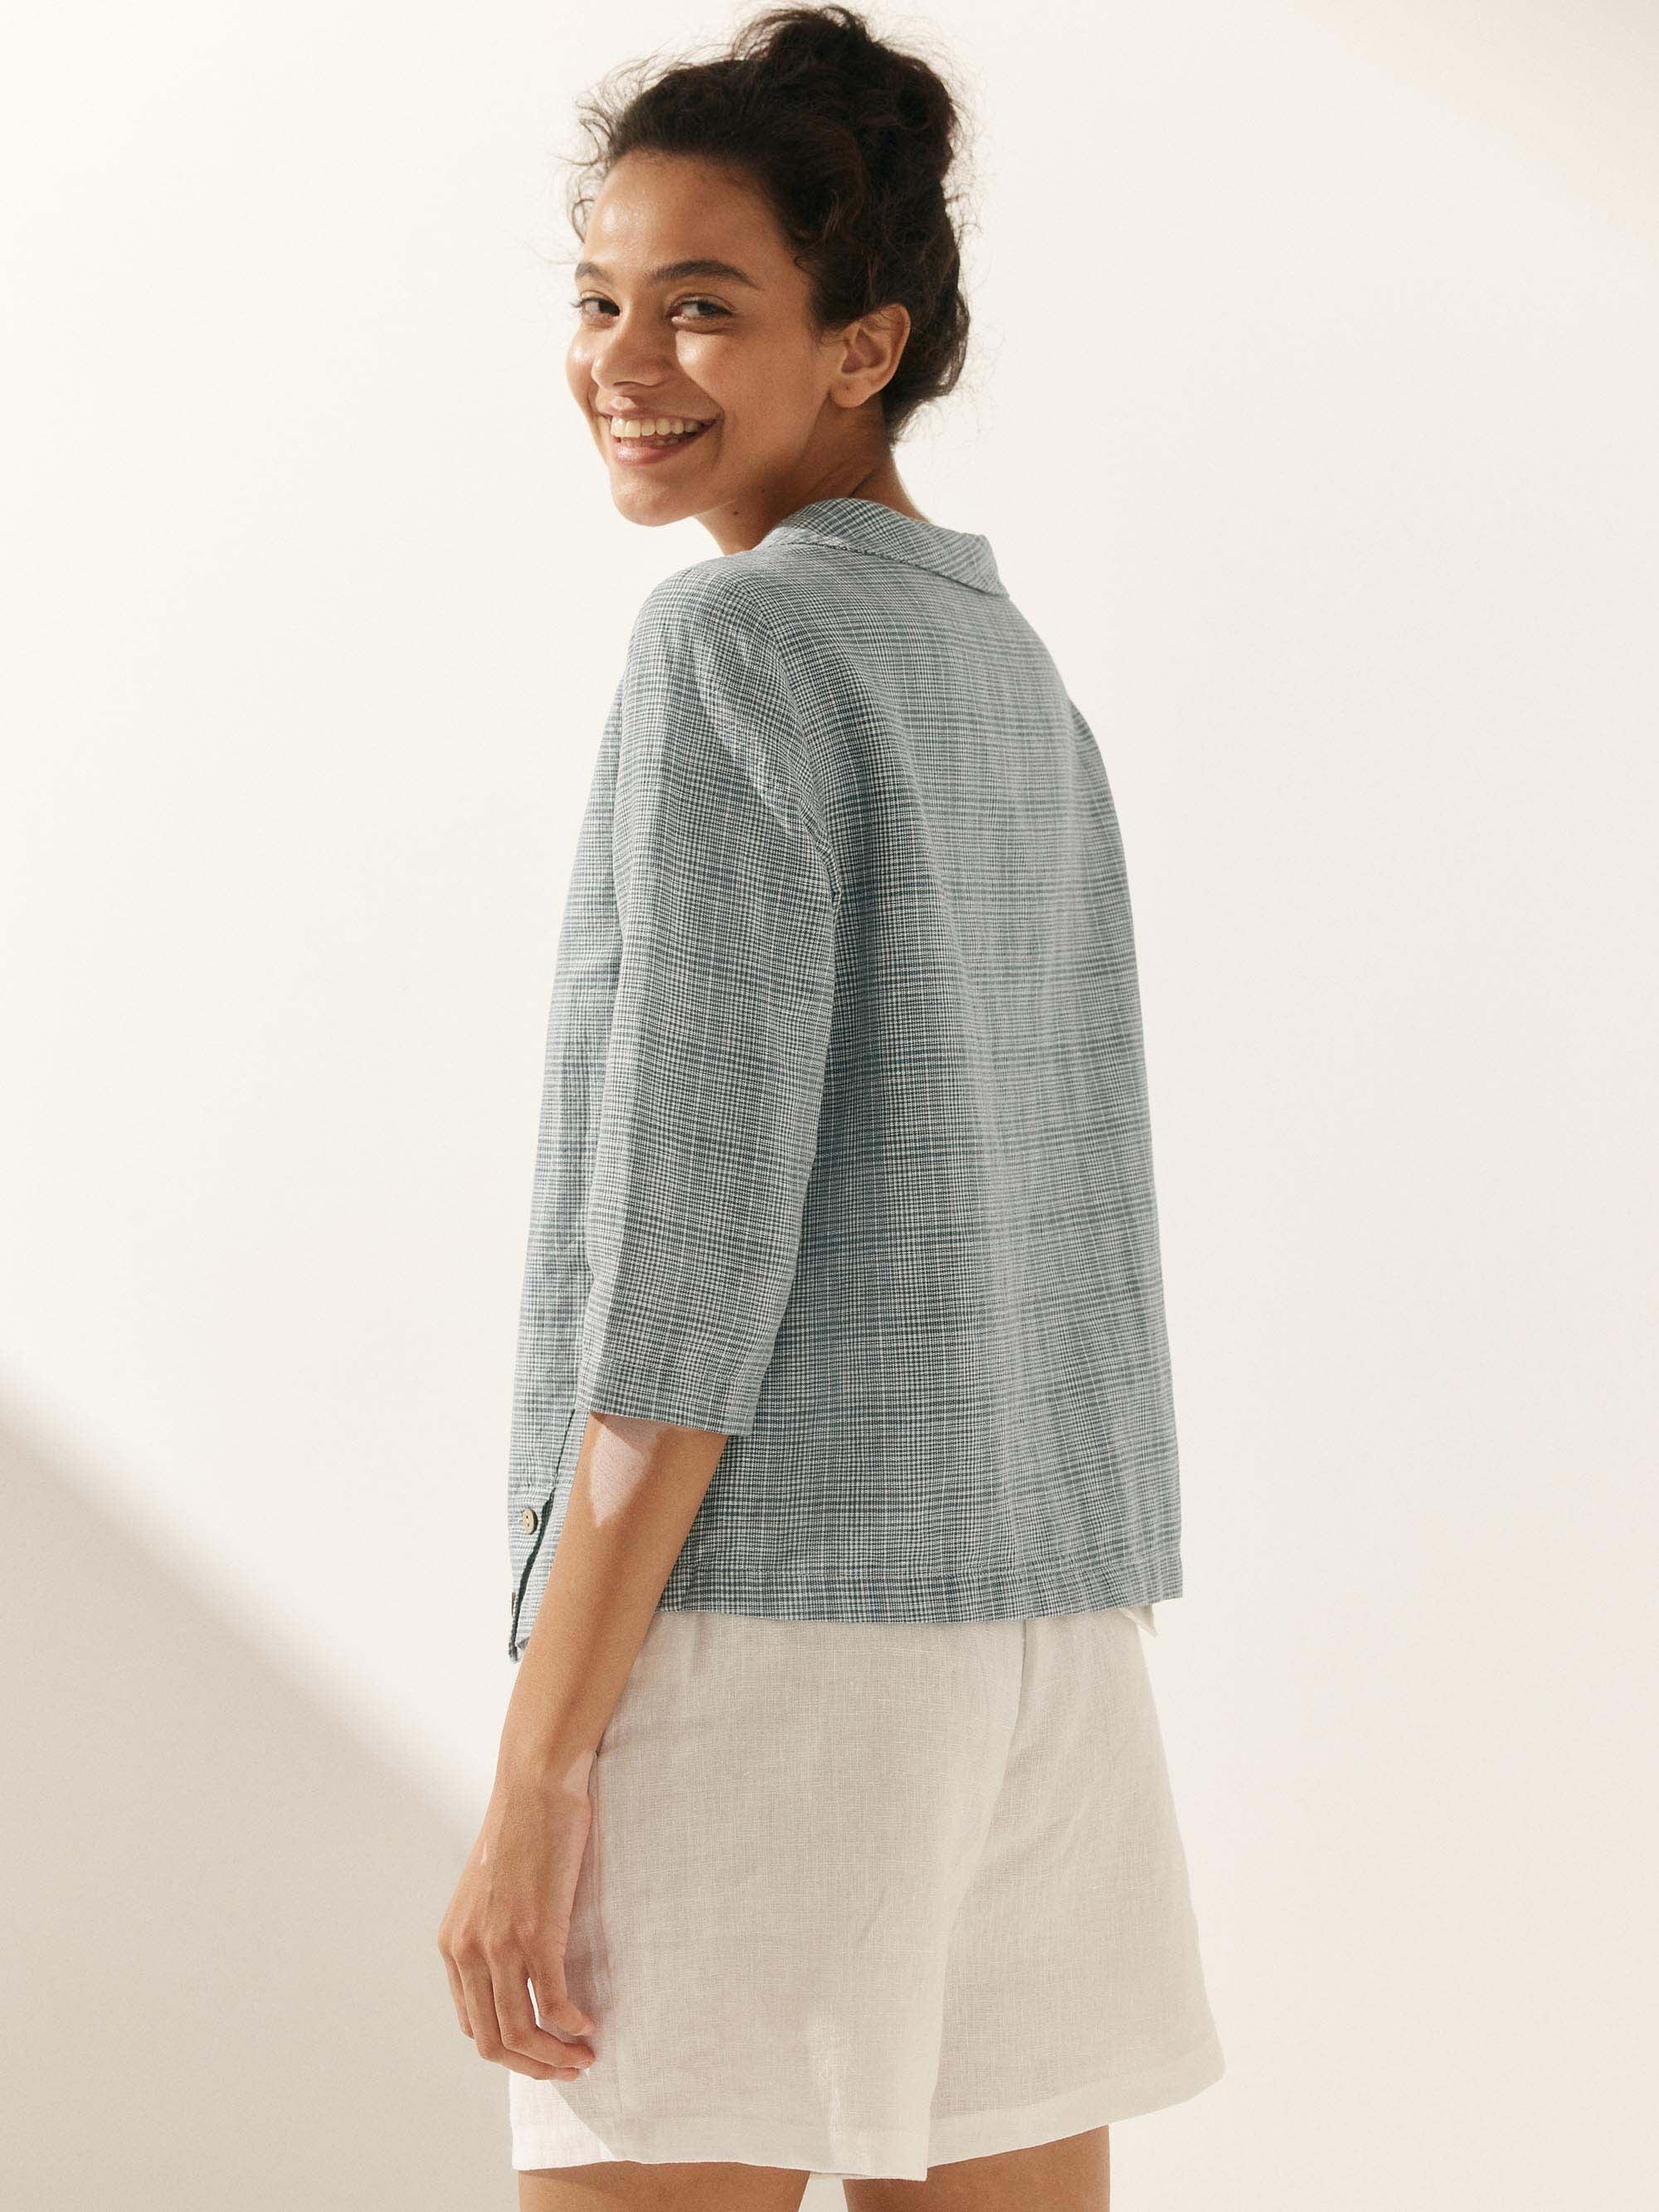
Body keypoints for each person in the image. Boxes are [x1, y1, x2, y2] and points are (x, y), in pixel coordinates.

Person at [438, 8, 1224, 2206]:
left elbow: (683, 1275)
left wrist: (538, 1766)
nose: (626, 361)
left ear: (864, 344)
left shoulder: (740, 651)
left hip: (774, 1645)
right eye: (601, 298)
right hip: (1045, 1640)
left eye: (704, 306)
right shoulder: (1000, 660)